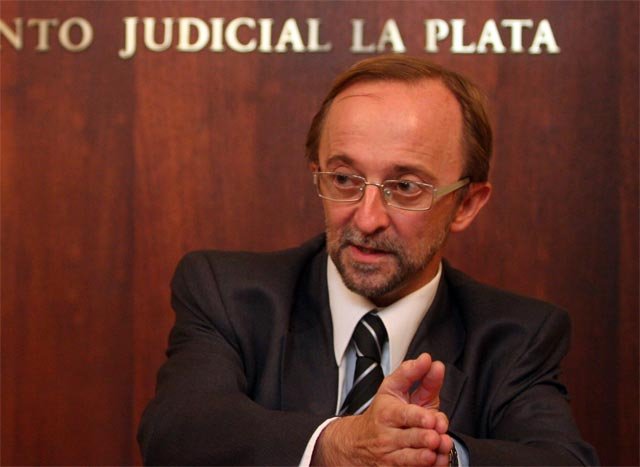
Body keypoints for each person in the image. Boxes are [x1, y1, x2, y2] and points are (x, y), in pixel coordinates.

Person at [138, 56, 598, 466]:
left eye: (405, 187)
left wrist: (432, 454)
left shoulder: (515, 336)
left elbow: (561, 460)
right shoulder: (228, 293)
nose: (367, 218)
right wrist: (336, 445)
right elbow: (176, 434)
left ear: (466, 204)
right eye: (344, 179)